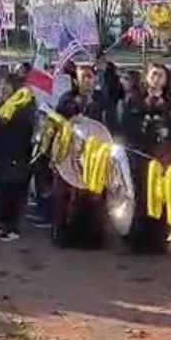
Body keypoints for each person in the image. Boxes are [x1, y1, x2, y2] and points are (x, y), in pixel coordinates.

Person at [120, 63, 171, 253]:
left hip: (163, 153)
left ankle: (161, 238)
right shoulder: (134, 98)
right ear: (146, 77)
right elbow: (126, 123)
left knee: (162, 193)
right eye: (153, 74)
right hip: (141, 153)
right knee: (141, 194)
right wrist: (143, 124)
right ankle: (138, 238)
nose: (156, 79)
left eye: (161, 75)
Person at [52, 65, 109, 248]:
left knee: (94, 196)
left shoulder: (102, 101)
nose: (87, 81)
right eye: (83, 77)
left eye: (90, 77)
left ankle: (92, 238)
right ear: (76, 80)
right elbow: (57, 124)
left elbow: (110, 126)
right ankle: (66, 236)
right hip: (70, 154)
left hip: (95, 156)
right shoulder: (66, 100)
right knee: (67, 195)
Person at [0, 74, 37, 242]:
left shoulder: (23, 108)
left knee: (12, 193)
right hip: (0, 154)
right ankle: (1, 223)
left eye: (5, 86)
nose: (1, 89)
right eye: (0, 86)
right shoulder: (2, 105)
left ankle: (12, 227)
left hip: (16, 155)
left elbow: (14, 128)